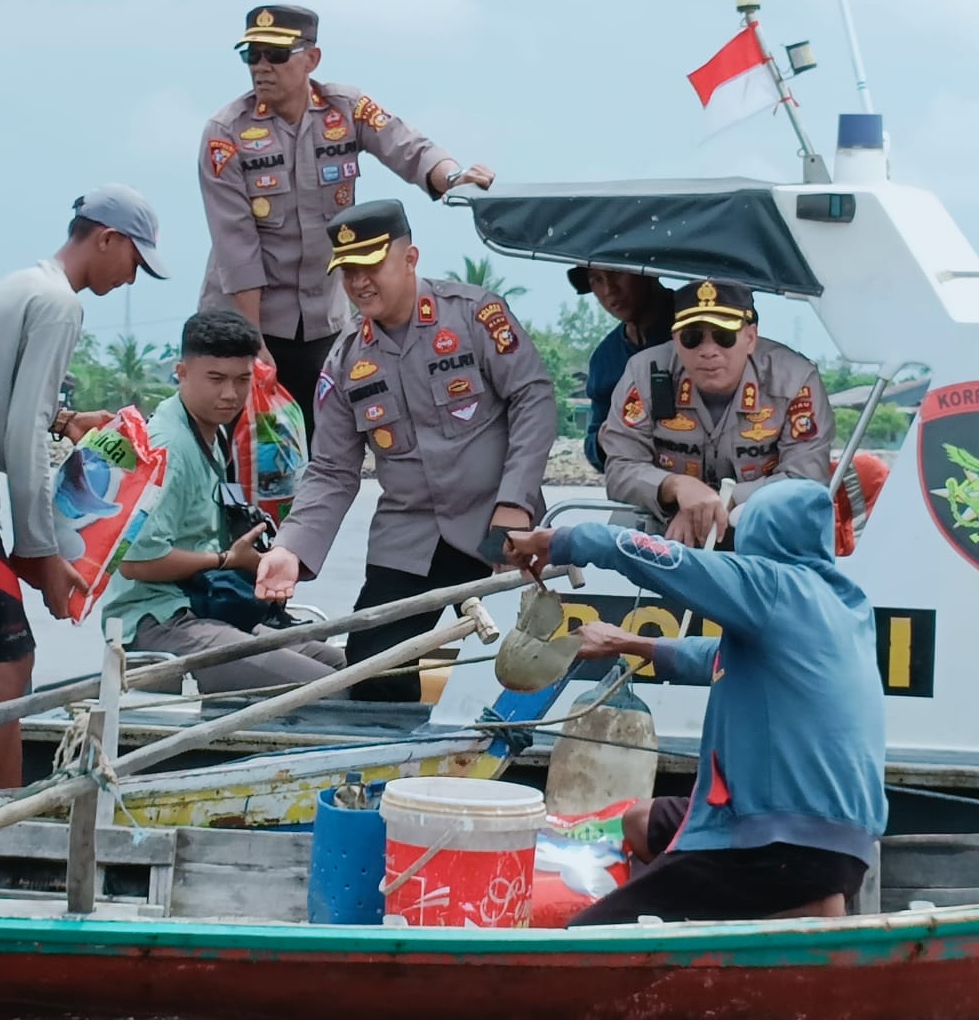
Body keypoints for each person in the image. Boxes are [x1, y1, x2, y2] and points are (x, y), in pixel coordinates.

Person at [504, 478, 887, 925]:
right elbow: (718, 658)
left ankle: (798, 907)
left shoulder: (770, 584)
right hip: (842, 847)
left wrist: (562, 541)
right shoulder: (846, 605)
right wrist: (631, 644)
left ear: (761, 534)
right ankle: (800, 905)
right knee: (642, 822)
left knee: (585, 940)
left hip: (777, 846)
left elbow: (665, 559)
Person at [0, 185, 167, 790]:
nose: (131, 278)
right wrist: (40, 552)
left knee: (7, 658)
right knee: (9, 660)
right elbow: (21, 439)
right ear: (107, 239)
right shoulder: (60, 305)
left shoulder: (25, 284)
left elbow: (2, 402)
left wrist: (66, 421)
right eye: (135, 262)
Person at [254, 199, 556, 702]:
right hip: (409, 538)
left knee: (522, 664)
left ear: (410, 258)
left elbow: (534, 398)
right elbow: (331, 469)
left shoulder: (474, 316)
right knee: (373, 672)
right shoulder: (345, 360)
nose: (359, 282)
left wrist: (516, 503)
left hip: (496, 527)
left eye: (370, 266)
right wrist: (290, 548)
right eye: (348, 271)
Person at [197, 4, 495, 434]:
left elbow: (409, 147)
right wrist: (252, 343)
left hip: (322, 319)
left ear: (311, 59)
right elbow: (236, 248)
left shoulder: (346, 109)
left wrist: (452, 177)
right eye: (251, 55)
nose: (261, 67)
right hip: (243, 322)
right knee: (241, 452)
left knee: (326, 443)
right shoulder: (225, 133)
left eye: (275, 55)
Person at [100, 310, 345, 691]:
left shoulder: (209, 434)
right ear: (182, 373)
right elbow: (136, 562)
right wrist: (228, 560)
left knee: (355, 668)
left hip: (209, 606)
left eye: (242, 380)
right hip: (160, 619)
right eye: (216, 379)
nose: (230, 394)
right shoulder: (170, 447)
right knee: (330, 688)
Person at [601, 279, 833, 548]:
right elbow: (620, 469)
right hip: (664, 533)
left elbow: (805, 480)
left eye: (724, 337)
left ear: (750, 338)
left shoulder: (795, 379)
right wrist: (675, 486)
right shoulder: (643, 373)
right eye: (692, 338)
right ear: (675, 339)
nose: (708, 351)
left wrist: (716, 503)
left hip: (760, 535)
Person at [565, 267, 675, 473]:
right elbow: (594, 440)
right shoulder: (605, 358)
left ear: (649, 271)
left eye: (617, 273)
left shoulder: (699, 331)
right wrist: (603, 439)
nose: (609, 290)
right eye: (597, 280)